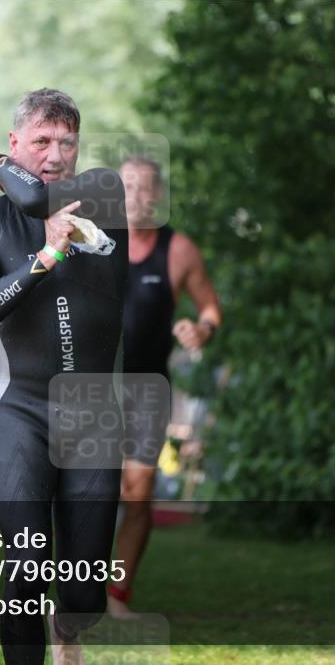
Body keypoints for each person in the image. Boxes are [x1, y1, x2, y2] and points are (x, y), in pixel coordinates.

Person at [0, 88, 128, 665]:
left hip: (93, 416)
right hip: (22, 411)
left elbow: (41, 194)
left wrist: (12, 175)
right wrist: (42, 260)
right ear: (14, 143)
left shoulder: (103, 202)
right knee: (26, 568)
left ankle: (70, 628)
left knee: (82, 594)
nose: (55, 154)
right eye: (40, 141)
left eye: (66, 142)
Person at [107, 155, 222, 618]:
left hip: (148, 391)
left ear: (158, 196)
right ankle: (78, 591)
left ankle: (117, 596)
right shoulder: (92, 243)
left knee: (137, 492)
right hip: (93, 388)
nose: (134, 197)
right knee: (88, 493)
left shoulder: (178, 251)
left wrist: (202, 330)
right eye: (125, 188)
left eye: (143, 188)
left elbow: (211, 309)